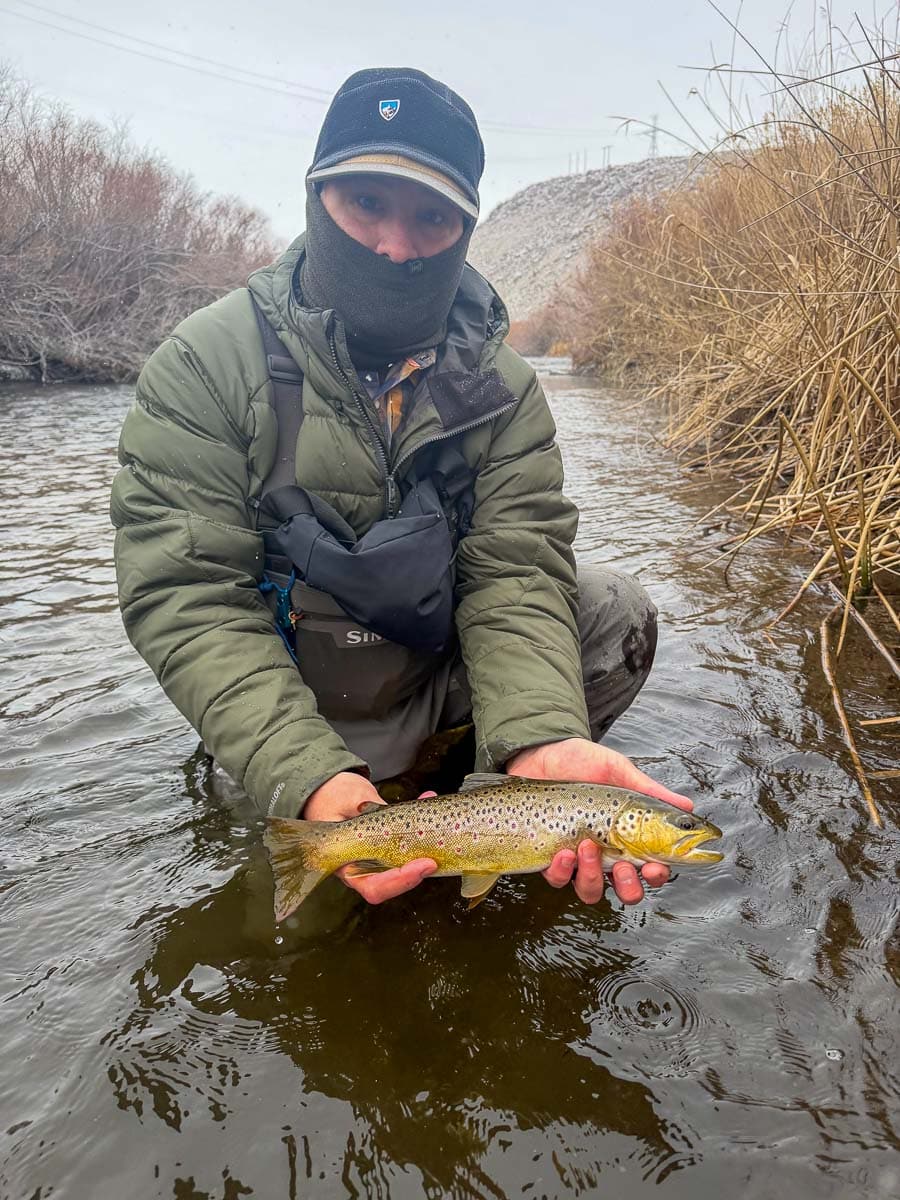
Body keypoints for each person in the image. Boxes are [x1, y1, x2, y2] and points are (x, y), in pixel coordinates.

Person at [110, 67, 692, 912]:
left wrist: (540, 739)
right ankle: (333, 795)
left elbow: (516, 573)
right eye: (365, 204)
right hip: (305, 697)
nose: (395, 245)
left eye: (431, 217)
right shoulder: (206, 364)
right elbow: (187, 598)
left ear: (464, 228)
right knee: (297, 943)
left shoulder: (502, 387)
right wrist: (306, 775)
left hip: (430, 671)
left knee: (608, 605)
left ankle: (483, 790)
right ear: (317, 200)